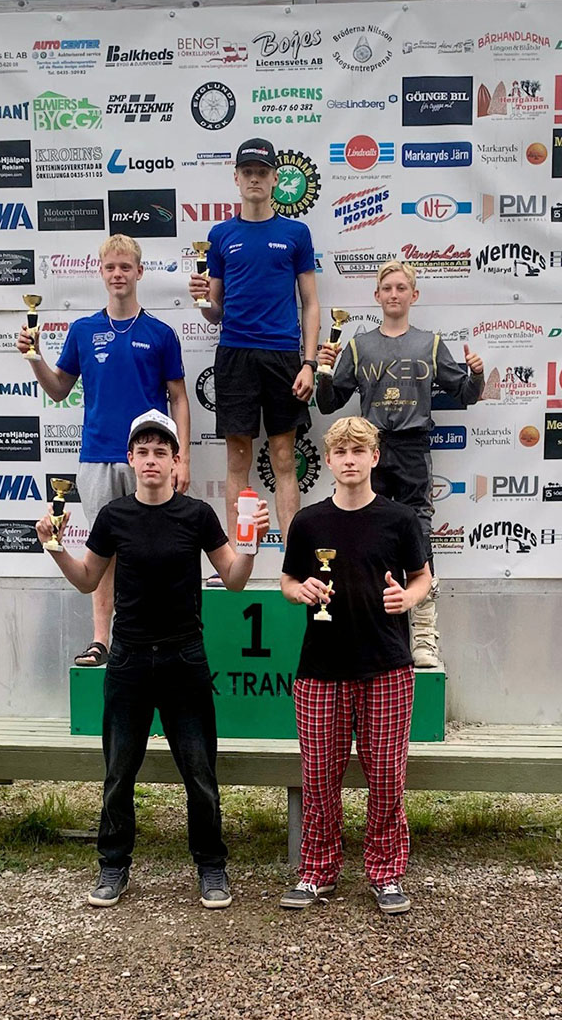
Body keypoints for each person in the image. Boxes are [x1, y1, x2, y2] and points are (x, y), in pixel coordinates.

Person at [36, 409, 269, 910]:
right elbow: (87, 579)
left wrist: (250, 545)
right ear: (130, 458)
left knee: (200, 773)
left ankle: (211, 866)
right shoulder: (113, 516)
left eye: (160, 452)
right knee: (119, 773)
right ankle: (113, 865)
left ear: (175, 461)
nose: (151, 460)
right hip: (129, 659)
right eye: (142, 451)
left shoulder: (197, 515)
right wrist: (54, 547)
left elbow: (234, 580)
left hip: (185, 657)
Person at [280, 416, 431, 916]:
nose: (349, 460)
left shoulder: (400, 519)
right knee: (319, 777)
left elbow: (422, 577)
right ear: (327, 461)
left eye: (358, 451)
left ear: (374, 457)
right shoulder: (308, 522)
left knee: (386, 777)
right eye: (341, 452)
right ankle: (317, 871)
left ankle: (386, 874)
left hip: (387, 666)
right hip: (320, 669)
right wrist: (300, 590)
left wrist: (407, 598)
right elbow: (287, 582)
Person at [18, 234, 190, 667]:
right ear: (100, 272)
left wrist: (182, 457)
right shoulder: (82, 330)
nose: (118, 274)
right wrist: (35, 357)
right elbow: (58, 390)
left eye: (125, 267)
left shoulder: (161, 333)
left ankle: (157, 637)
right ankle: (101, 640)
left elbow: (179, 398)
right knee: (104, 552)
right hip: (96, 457)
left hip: (148, 459)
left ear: (139, 272)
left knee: (157, 549)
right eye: (110, 267)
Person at [315, 259, 484, 667]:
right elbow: (328, 403)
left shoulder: (430, 343)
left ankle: (423, 633)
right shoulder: (359, 345)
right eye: (387, 288)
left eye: (401, 288)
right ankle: (368, 625)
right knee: (364, 530)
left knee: (418, 533)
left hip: (412, 448)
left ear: (414, 295)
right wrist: (324, 371)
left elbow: (465, 394)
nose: (394, 294)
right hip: (369, 448)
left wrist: (477, 375)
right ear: (377, 296)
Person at [188, 137, 320, 571]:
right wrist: (203, 300)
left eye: (262, 172)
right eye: (248, 172)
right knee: (238, 459)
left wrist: (309, 362)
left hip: (283, 356)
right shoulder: (220, 235)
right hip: (235, 354)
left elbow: (310, 303)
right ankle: (234, 560)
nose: (255, 179)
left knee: (284, 457)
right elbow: (215, 313)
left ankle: (294, 565)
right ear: (237, 178)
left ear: (275, 179)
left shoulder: (296, 233)